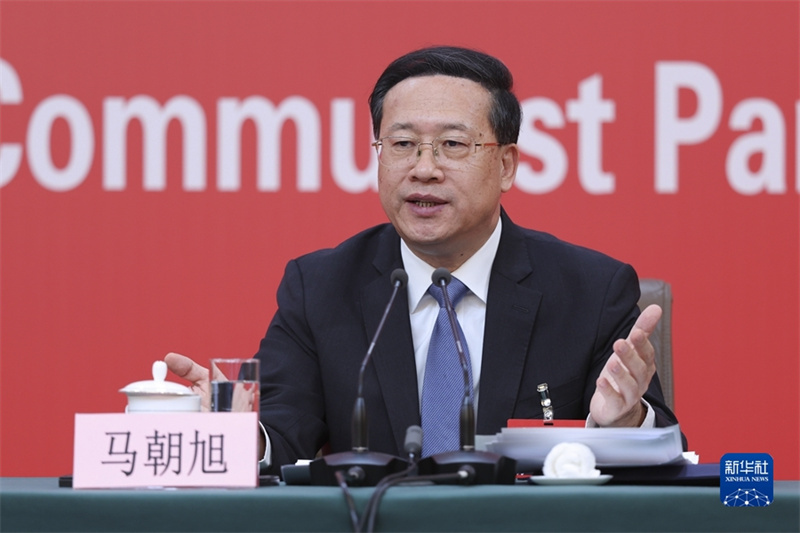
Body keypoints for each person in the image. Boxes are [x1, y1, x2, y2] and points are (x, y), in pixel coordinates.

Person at [166, 45, 681, 475]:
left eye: (452, 144)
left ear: (506, 165)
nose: (424, 168)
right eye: (403, 144)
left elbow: (664, 460)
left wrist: (623, 423)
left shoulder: (591, 290)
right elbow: (281, 433)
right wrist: (236, 432)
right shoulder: (320, 287)